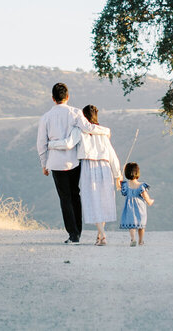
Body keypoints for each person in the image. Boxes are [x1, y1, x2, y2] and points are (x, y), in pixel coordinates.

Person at [35, 82, 84, 244]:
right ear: (68, 97)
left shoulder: (46, 117)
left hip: (55, 162)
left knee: (65, 198)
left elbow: (41, 143)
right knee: (75, 195)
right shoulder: (76, 113)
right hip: (74, 160)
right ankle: (79, 229)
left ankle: (73, 234)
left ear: (52, 98)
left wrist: (44, 163)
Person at [74, 105, 120, 246]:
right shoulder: (104, 133)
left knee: (93, 202)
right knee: (103, 201)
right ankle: (99, 235)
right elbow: (111, 154)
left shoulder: (80, 131)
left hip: (89, 166)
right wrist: (117, 174)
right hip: (105, 167)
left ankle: (103, 235)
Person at [120, 161, 154, 247]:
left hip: (129, 207)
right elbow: (145, 196)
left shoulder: (125, 185)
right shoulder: (141, 185)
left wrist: (119, 180)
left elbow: (123, 193)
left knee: (132, 224)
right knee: (141, 224)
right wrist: (150, 201)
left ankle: (133, 239)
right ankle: (141, 240)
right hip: (140, 207)